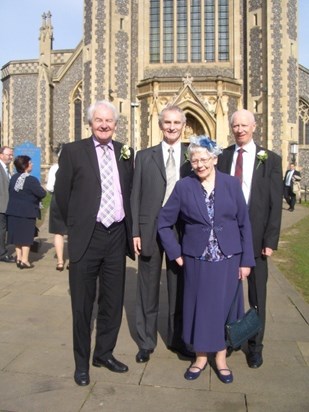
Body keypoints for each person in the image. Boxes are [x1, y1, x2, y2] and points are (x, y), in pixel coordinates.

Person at [158, 135, 255, 384]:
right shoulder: (184, 187)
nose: (199, 164)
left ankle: (221, 359)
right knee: (198, 309)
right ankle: (200, 358)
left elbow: (244, 224)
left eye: (204, 159)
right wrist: (176, 252)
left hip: (229, 258)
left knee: (225, 309)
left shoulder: (232, 184)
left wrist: (246, 261)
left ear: (214, 159)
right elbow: (164, 222)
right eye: (194, 160)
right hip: (196, 260)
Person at [54, 100, 134, 387]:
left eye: (109, 121)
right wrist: (62, 236)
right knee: (82, 305)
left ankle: (104, 353)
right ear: (90, 123)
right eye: (99, 120)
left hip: (116, 236)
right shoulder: (74, 152)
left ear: (115, 124)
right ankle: (81, 363)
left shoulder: (126, 152)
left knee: (112, 302)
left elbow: (130, 192)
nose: (104, 125)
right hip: (87, 236)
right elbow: (61, 197)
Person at [217, 109, 283, 369]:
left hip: (256, 239)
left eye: (244, 125)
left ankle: (255, 346)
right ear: (231, 128)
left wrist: (270, 239)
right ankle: (228, 339)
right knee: (227, 293)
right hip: (226, 238)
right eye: (236, 125)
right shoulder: (223, 157)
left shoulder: (271, 160)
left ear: (254, 126)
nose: (240, 129)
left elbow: (275, 204)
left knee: (257, 295)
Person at [130, 104, 193, 364]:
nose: (172, 127)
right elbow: (135, 195)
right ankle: (146, 341)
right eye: (167, 122)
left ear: (183, 125)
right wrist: (135, 231)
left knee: (180, 287)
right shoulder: (144, 156)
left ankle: (178, 339)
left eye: (177, 123)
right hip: (150, 229)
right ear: (160, 125)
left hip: (181, 231)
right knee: (147, 288)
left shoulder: (193, 155)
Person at [6, 155, 46, 269]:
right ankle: (25, 260)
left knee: (17, 237)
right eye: (30, 162)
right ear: (25, 165)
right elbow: (42, 193)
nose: (32, 164)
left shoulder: (13, 178)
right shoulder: (31, 180)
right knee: (26, 238)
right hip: (26, 212)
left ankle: (18, 258)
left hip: (13, 211)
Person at [46, 145, 68, 271]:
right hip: (71, 200)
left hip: (57, 200)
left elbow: (49, 187)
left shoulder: (55, 168)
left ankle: (60, 262)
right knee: (73, 232)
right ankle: (73, 261)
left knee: (58, 232)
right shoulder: (73, 166)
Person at [0, 146, 15, 263]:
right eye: (8, 155)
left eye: (11, 155)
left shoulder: (6, 168)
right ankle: (2, 254)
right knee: (1, 230)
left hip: (5, 205)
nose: (11, 157)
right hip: (1, 205)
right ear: (1, 155)